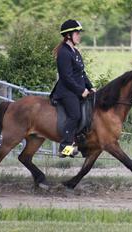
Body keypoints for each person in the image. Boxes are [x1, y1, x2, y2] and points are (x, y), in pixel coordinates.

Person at [51, 19, 95, 157]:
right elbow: (66, 77)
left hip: (76, 90)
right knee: (75, 115)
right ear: (68, 35)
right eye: (77, 33)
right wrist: (81, 91)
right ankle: (64, 148)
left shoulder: (75, 52)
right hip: (66, 92)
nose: (79, 36)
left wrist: (91, 87)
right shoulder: (64, 53)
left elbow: (82, 73)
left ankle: (82, 145)